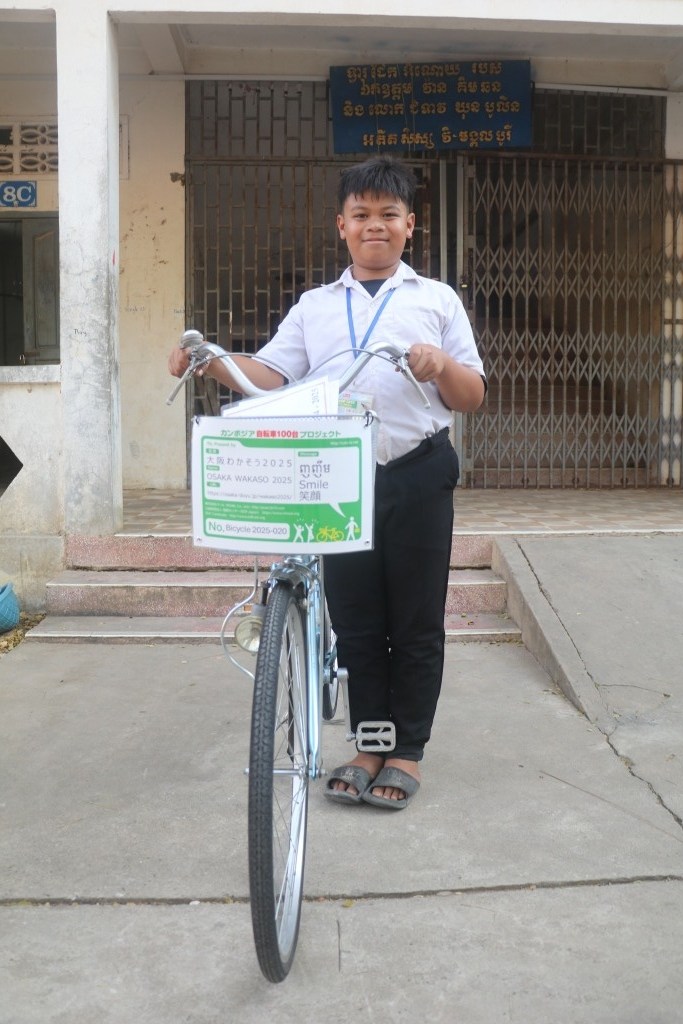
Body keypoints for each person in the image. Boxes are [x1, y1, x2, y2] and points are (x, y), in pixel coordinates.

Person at [169, 155, 486, 810]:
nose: (375, 226)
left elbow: (471, 395)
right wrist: (212, 360)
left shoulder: (436, 300)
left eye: (388, 214)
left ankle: (407, 751)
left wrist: (441, 365)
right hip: (337, 480)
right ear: (341, 225)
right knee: (357, 621)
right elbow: (271, 376)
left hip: (419, 471)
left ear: (410, 225)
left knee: (416, 621)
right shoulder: (315, 306)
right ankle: (369, 744)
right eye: (361, 215)